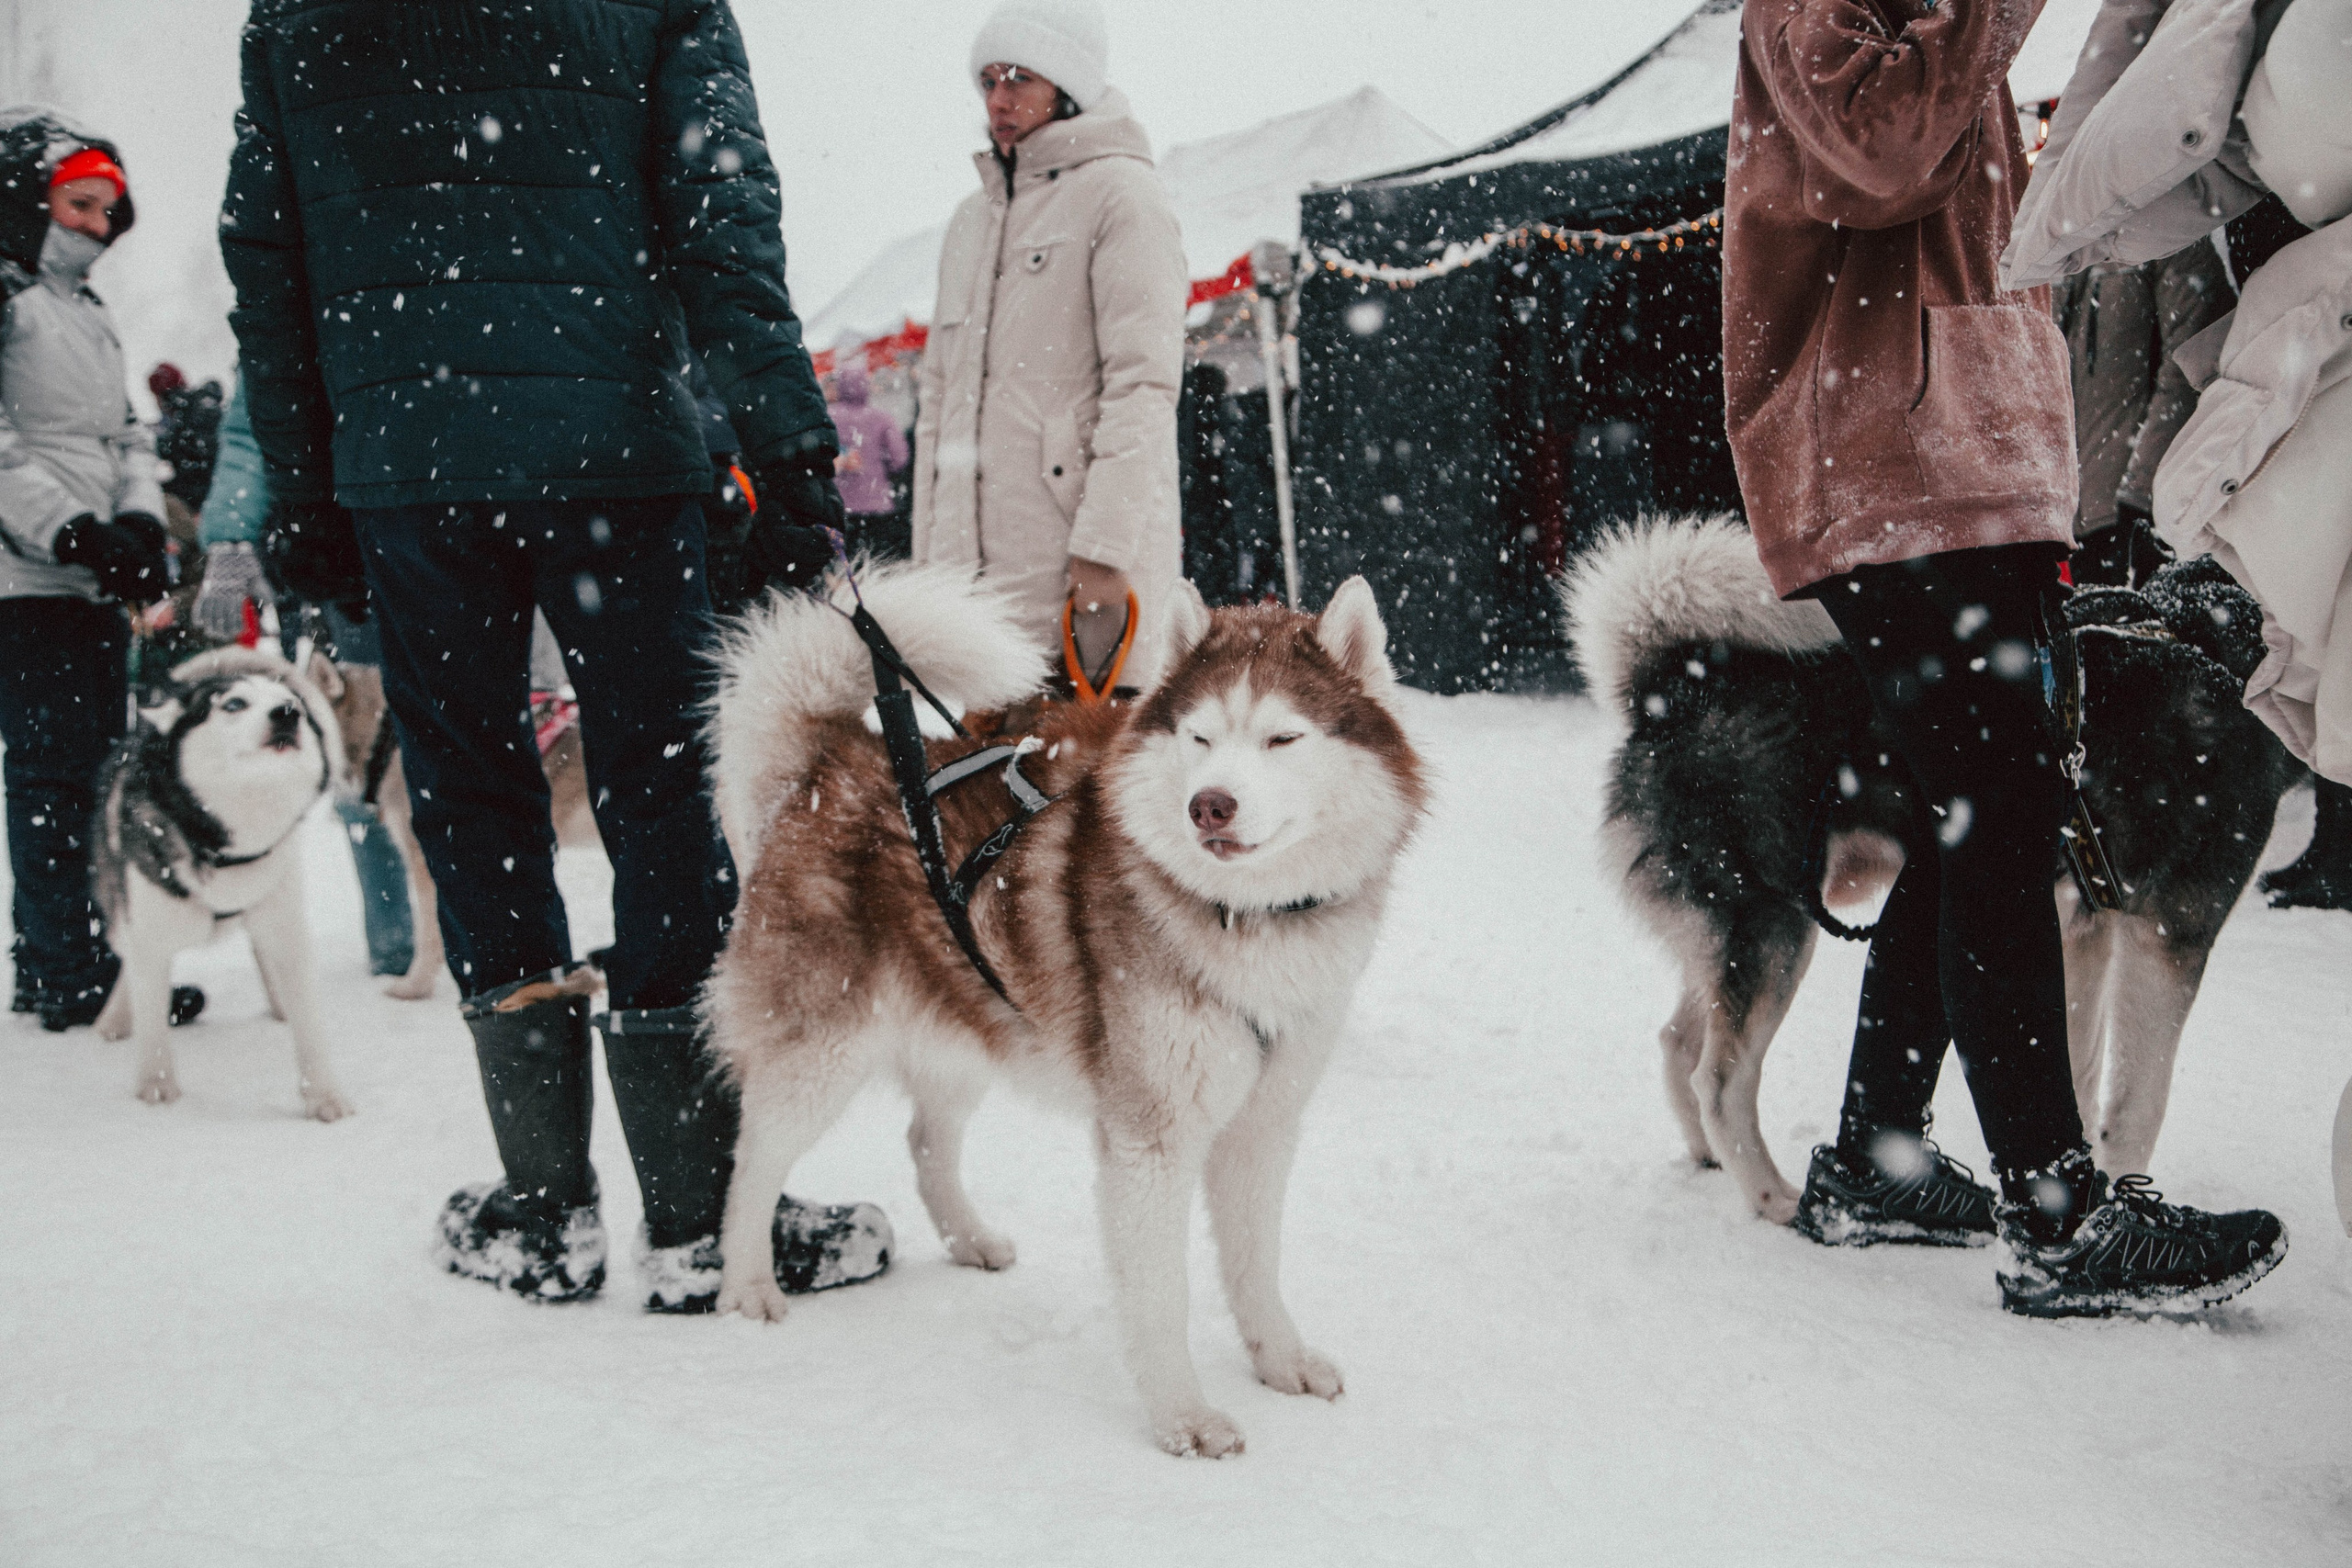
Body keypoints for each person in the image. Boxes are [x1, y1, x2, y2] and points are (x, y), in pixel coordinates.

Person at [220, 0, 886, 1312]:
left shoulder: (292, 11)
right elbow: (721, 207)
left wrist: (305, 482)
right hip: (615, 454)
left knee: (469, 798)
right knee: (660, 792)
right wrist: (789, 446)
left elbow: (268, 255)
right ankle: (699, 1211)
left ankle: (542, 1205)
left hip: (412, 462)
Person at [1724, 0, 2284, 1316]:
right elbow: (1879, 149)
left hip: (1969, 466)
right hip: (1897, 463)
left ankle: (1879, 1153)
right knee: (1999, 814)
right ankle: (2053, 1209)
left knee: (1963, 810)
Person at [0, 111, 208, 1034]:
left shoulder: (85, 313)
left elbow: (126, 435)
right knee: (53, 771)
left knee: (97, 767)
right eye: (76, 204)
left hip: (86, 580)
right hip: (25, 579)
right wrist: (72, 532)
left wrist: (136, 519)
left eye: (105, 211)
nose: (92, 225)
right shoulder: (8, 299)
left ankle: (78, 946)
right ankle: (59, 964)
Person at [912, 0, 1187, 690]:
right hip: (968, 601)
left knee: (1083, 789)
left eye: (1018, 79)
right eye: (987, 81)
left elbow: (1144, 384)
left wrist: (1102, 549)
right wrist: (930, 573)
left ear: (1068, 88)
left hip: (1075, 577)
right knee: (974, 793)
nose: (998, 99)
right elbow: (939, 409)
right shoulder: (968, 223)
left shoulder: (1122, 194)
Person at [190, 381, 419, 980]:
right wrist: (233, 536)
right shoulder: (293, 306)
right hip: (341, 551)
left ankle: (480, 928)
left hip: (428, 526)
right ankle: (401, 937)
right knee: (361, 746)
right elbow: (249, 427)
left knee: (461, 735)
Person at [2052, 244, 2232, 589]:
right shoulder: (2064, 244)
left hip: (2143, 520)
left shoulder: (2173, 238)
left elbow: (2191, 373)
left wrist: (2141, 496)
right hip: (2073, 528)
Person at [827, 364, 910, 560]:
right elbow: (900, 459)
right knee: (878, 562)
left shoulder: (827, 416)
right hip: (878, 503)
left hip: (838, 505)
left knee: (846, 565)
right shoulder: (882, 418)